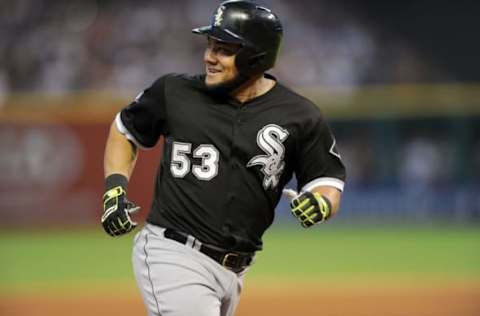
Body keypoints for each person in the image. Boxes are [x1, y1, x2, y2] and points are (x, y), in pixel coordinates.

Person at [101, 1, 346, 315]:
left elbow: (327, 181)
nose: (209, 57)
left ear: (256, 55)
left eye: (224, 49)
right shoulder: (174, 92)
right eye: (210, 45)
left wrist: (321, 203)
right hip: (172, 252)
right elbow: (124, 131)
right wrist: (114, 189)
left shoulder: (299, 115)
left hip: (235, 270)